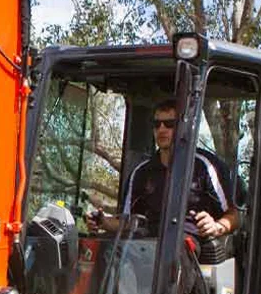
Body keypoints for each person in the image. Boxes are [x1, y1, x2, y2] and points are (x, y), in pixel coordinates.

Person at [86, 99, 239, 241]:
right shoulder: (141, 172)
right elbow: (127, 221)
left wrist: (216, 226)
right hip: (146, 246)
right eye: (156, 124)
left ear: (184, 127)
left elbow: (234, 215)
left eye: (169, 124)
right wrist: (103, 221)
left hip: (187, 247)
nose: (162, 129)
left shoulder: (205, 166)